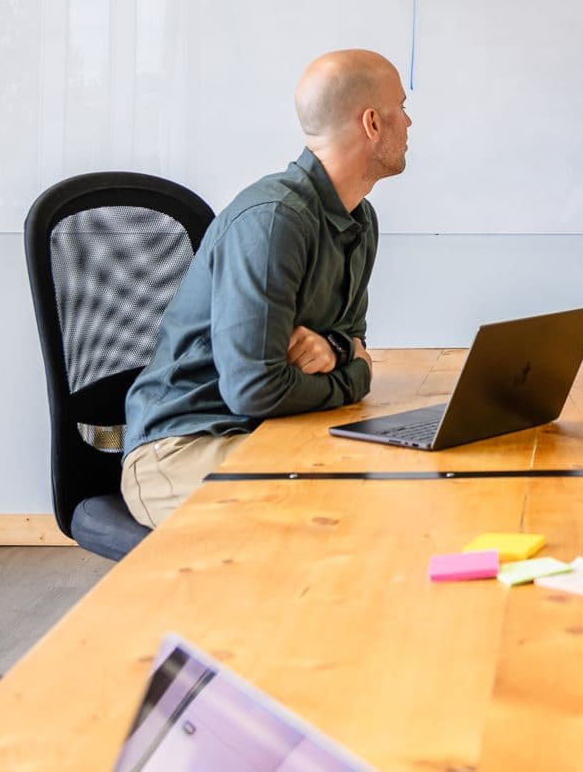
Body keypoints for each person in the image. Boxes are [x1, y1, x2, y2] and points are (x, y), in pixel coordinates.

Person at [120, 49, 411, 527]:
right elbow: (256, 389)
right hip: (183, 448)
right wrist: (350, 372)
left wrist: (339, 353)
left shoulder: (359, 220)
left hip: (268, 431)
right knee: (349, 514)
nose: (410, 121)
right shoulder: (274, 222)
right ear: (373, 123)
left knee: (394, 477)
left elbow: (353, 344)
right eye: (402, 106)